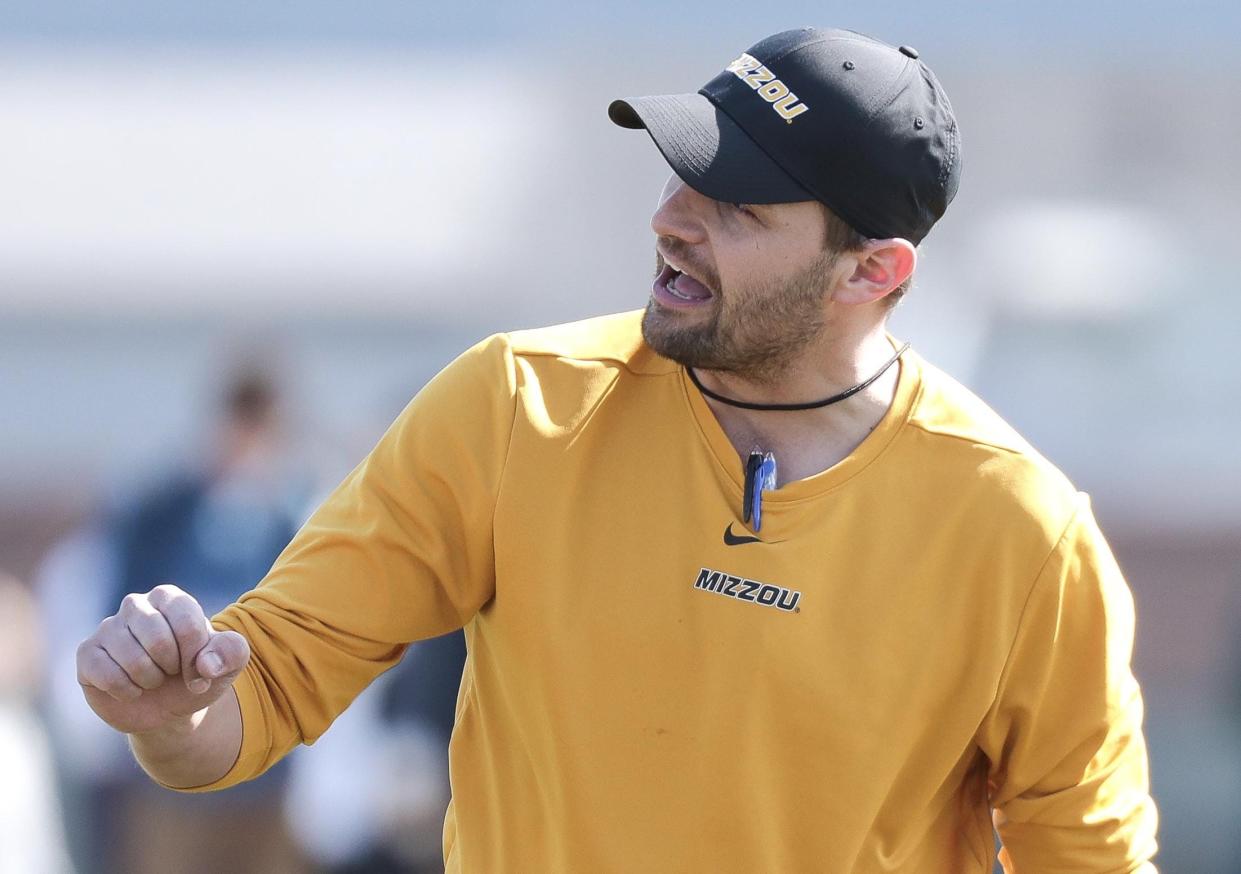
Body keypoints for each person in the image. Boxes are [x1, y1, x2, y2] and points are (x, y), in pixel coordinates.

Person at [74, 27, 1159, 873]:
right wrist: (179, 711)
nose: (668, 218)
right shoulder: (513, 404)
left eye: (731, 205)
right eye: (677, 173)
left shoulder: (1021, 531)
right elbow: (263, 689)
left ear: (870, 273)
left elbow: (1089, 855)